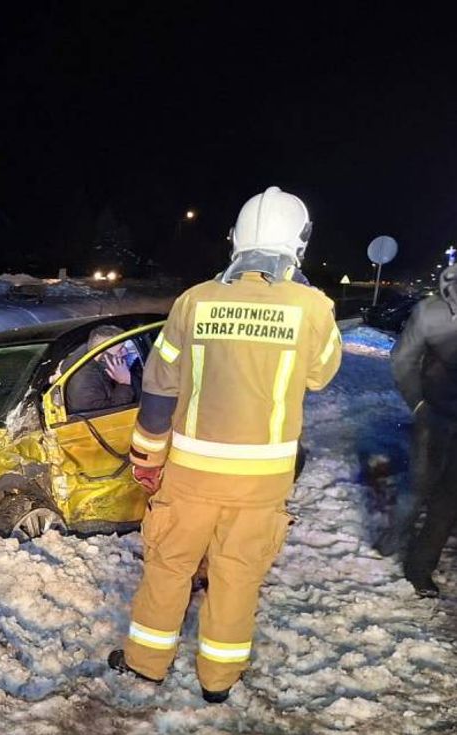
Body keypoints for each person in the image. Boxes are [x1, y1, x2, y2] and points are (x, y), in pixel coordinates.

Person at [108, 186, 342, 702]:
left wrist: (147, 456)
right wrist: (303, 294)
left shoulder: (195, 301)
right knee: (237, 577)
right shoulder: (312, 307)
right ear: (299, 241)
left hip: (190, 475)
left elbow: (160, 386)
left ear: (236, 238)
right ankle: (218, 680)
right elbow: (322, 374)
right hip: (261, 483)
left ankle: (146, 665)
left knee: (169, 567)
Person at [383, 264, 457, 595]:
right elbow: (403, 360)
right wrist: (418, 405)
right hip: (434, 417)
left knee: (446, 498)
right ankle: (394, 541)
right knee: (419, 489)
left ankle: (419, 567)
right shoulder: (430, 312)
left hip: (433, 413)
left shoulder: (428, 310)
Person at [62, 325, 139, 413]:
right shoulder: (84, 386)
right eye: (120, 350)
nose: (125, 352)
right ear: (102, 355)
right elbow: (109, 413)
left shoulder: (92, 352)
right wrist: (124, 383)